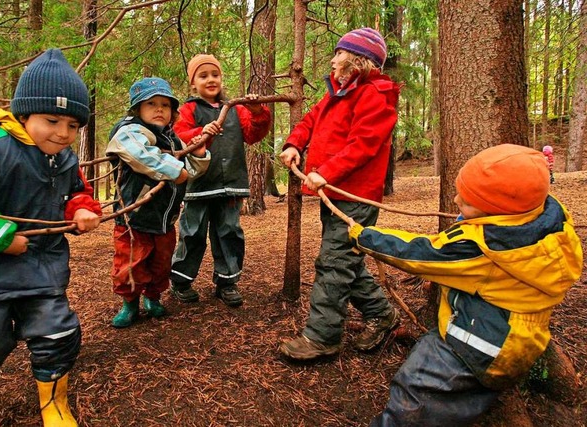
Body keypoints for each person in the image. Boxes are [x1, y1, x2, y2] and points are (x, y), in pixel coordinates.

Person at [348, 144, 583, 426]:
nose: (457, 200)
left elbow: (420, 253)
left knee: (416, 392)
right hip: (517, 342)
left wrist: (364, 237)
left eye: (469, 202)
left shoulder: (481, 248)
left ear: (498, 211)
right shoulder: (549, 220)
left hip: (478, 348)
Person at [0, 49, 103, 427]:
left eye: (72, 125)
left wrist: (82, 210)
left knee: (58, 331)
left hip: (43, 268)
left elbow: (75, 192)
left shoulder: (64, 158)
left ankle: (54, 405)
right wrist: (0, 237)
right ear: (24, 114)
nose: (63, 133)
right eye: (52, 120)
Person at [278, 28, 401, 360]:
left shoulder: (376, 96)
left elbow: (362, 145)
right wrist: (293, 144)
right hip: (335, 194)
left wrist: (325, 172)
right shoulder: (336, 94)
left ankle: (322, 337)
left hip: (356, 198)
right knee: (345, 261)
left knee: (334, 263)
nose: (333, 60)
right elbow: (309, 121)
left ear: (357, 61)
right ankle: (382, 314)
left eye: (339, 54)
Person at [107, 77, 210, 328]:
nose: (159, 109)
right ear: (137, 109)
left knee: (161, 262)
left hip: (165, 219)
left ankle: (153, 297)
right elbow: (140, 155)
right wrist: (175, 169)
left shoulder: (172, 139)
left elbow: (190, 172)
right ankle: (129, 304)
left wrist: (198, 156)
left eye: (165, 104)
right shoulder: (129, 130)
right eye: (151, 103)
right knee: (130, 263)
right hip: (135, 219)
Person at [169, 54, 271, 307]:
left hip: (231, 184)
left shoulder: (235, 108)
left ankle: (227, 281)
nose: (210, 80)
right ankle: (181, 280)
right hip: (199, 185)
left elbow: (253, 134)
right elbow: (180, 135)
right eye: (203, 76)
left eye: (215, 74)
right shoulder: (189, 109)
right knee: (192, 232)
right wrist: (201, 134)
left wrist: (258, 112)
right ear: (194, 83)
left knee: (229, 232)